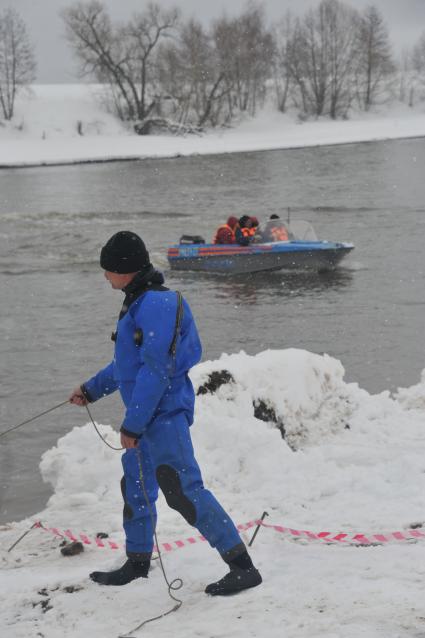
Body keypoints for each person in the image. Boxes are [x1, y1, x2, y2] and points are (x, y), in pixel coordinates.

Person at [69, 231, 262, 595]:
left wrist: (133, 425)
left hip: (164, 416)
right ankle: (137, 562)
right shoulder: (137, 301)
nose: (105, 276)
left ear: (125, 269)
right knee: (137, 488)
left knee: (183, 491)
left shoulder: (156, 304)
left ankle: (242, 567)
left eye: (108, 270)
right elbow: (127, 366)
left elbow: (157, 371)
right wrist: (92, 389)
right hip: (145, 417)